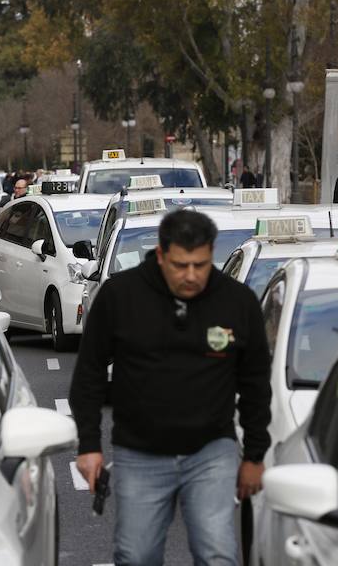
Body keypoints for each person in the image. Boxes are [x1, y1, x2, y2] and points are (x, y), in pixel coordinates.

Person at [70, 210, 272, 566]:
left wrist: (255, 456)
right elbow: (88, 374)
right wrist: (89, 445)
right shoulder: (120, 296)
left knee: (217, 554)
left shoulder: (237, 302)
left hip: (211, 451)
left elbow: (256, 383)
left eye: (201, 264)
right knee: (136, 555)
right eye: (181, 265)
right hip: (140, 453)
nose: (191, 276)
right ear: (161, 255)